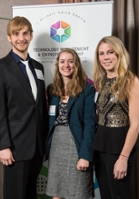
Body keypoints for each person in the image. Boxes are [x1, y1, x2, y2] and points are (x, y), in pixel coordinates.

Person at [0, 16, 48, 199]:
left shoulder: (38, 67)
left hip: (37, 146)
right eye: (16, 34)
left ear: (31, 36)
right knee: (15, 195)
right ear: (9, 37)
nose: (21, 38)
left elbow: (39, 107)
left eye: (25, 33)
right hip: (14, 147)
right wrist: (3, 145)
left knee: (30, 194)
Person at [92, 36, 139, 199]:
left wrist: (123, 158)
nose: (105, 57)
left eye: (110, 52)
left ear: (119, 54)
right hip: (100, 148)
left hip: (119, 149)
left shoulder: (131, 81)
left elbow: (136, 125)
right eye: (101, 54)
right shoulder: (101, 81)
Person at [45, 49, 96, 199]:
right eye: (62, 61)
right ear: (57, 65)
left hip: (78, 144)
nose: (66, 65)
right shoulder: (51, 89)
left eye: (70, 61)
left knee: (79, 192)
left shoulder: (87, 89)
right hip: (57, 144)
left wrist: (85, 155)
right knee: (57, 191)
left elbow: (89, 123)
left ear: (76, 65)